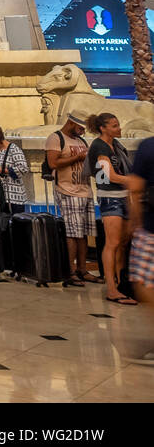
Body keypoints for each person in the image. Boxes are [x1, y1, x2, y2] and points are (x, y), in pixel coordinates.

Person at [87, 112, 137, 306]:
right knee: (113, 243)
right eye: (114, 125)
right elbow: (111, 177)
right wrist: (135, 181)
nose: (119, 128)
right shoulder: (100, 146)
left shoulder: (115, 146)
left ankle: (119, 281)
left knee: (122, 243)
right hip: (110, 198)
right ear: (103, 128)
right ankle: (111, 288)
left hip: (122, 197)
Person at [47, 110, 99, 287]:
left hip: (85, 191)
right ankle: (70, 270)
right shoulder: (56, 138)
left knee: (83, 233)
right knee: (72, 234)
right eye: (81, 128)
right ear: (71, 123)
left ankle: (82, 269)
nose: (83, 132)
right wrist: (78, 157)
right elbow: (53, 163)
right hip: (68, 191)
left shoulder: (81, 140)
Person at [121, 124, 154, 362]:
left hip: (152, 228)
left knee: (143, 281)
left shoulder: (149, 147)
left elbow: (134, 186)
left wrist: (134, 222)